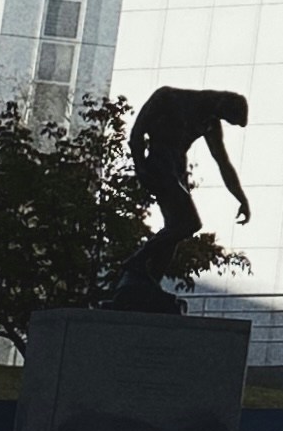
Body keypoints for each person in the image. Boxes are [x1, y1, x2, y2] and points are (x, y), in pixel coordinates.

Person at [106, 88, 251, 311]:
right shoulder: (169, 97)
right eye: (225, 116)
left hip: (177, 171)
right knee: (189, 223)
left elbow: (223, 163)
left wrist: (241, 198)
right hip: (159, 164)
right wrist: (141, 167)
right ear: (221, 102)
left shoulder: (210, 122)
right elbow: (137, 133)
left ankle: (148, 282)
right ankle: (136, 261)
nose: (220, 120)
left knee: (174, 229)